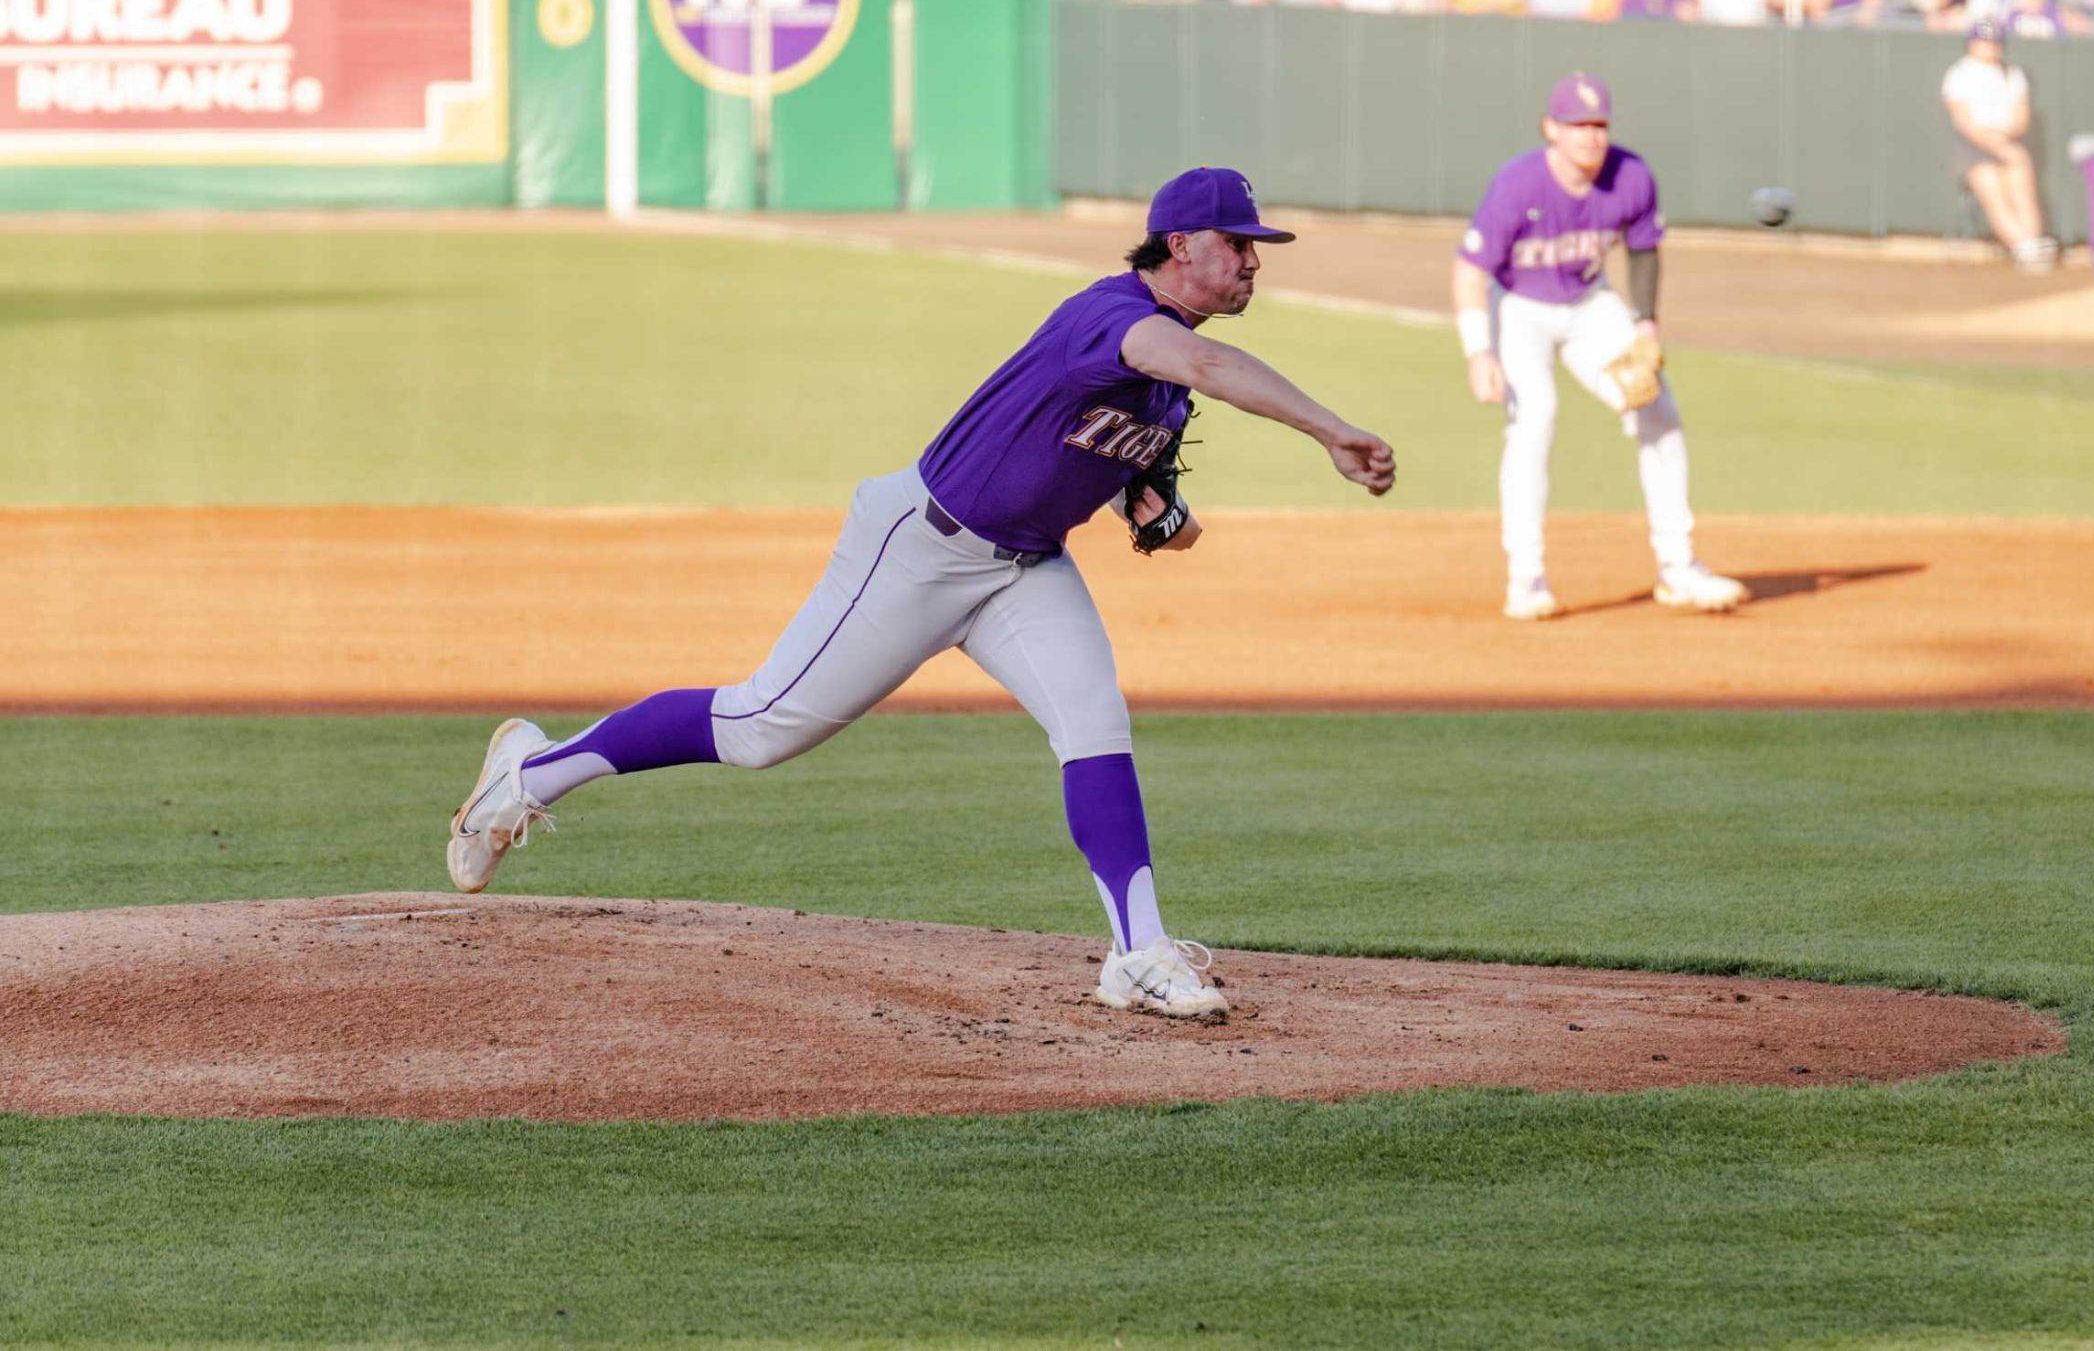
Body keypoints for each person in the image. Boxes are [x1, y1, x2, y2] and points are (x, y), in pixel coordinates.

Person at [446, 168, 1398, 1021]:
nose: (1252, 265)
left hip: (1024, 569)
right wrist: (1330, 430)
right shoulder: (1111, 318)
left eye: (1256, 251)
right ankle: (527, 774)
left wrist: (1146, 503)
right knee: (758, 727)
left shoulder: (1164, 380)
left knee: (1096, 725)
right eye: (1239, 246)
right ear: (1180, 245)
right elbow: (1208, 366)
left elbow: (1109, 455)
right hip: (920, 548)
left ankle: (1139, 952)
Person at [1449, 74, 1745, 623]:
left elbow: (1644, 251)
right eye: (1578, 124)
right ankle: (1526, 578)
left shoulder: (1631, 176)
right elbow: (1470, 274)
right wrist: (1479, 352)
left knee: (1658, 409)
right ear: (1551, 129)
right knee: (1534, 420)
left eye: (1599, 124)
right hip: (1519, 309)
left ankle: (1678, 568)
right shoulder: (1518, 185)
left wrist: (1647, 324)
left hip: (1590, 305)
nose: (1590, 136)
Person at [1941, 22, 2057, 272]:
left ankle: (2031, 244)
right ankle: (2024, 247)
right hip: (1974, 147)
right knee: (1994, 193)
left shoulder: (2012, 74)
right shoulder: (1959, 74)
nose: (1989, 47)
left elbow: (2020, 117)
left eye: (1994, 42)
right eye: (1983, 41)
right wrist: (1998, 146)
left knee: (2022, 191)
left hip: (2007, 140)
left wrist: (2004, 142)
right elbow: (1965, 122)